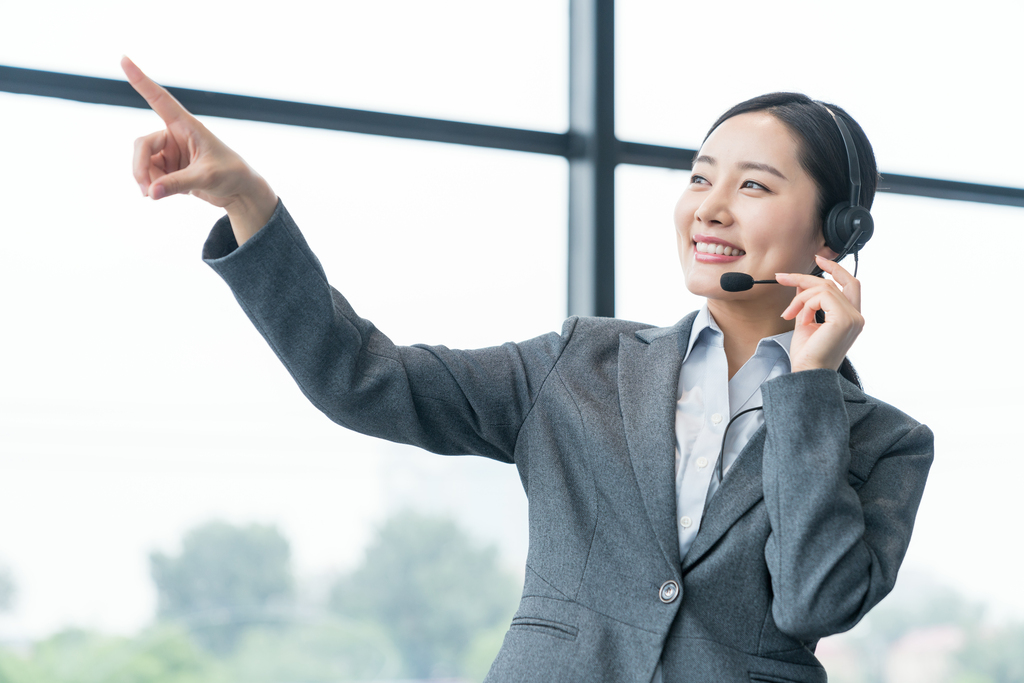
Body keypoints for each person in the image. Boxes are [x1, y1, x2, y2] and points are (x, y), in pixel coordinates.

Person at [122, 56, 932, 683]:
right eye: (698, 178)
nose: (709, 207)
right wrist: (250, 204)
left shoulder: (885, 442)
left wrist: (807, 390)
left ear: (837, 230)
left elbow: (814, 602)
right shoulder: (581, 363)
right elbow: (361, 378)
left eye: (752, 185)